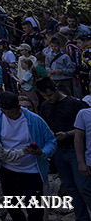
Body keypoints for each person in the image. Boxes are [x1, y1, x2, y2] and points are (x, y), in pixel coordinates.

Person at [0, 90, 57, 221]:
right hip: (8, 169)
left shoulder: (34, 120)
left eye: (16, 110)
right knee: (12, 207)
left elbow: (51, 141)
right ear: (2, 110)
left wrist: (42, 152)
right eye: (10, 113)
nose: (14, 115)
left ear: (19, 107)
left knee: (35, 210)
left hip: (32, 170)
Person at [35, 77, 91, 221]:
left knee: (84, 187)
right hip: (58, 151)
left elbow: (83, 130)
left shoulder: (75, 105)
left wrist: (67, 134)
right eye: (44, 96)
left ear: (56, 89)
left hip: (75, 150)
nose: (48, 98)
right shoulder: (45, 106)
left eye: (50, 94)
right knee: (71, 189)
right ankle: (82, 217)